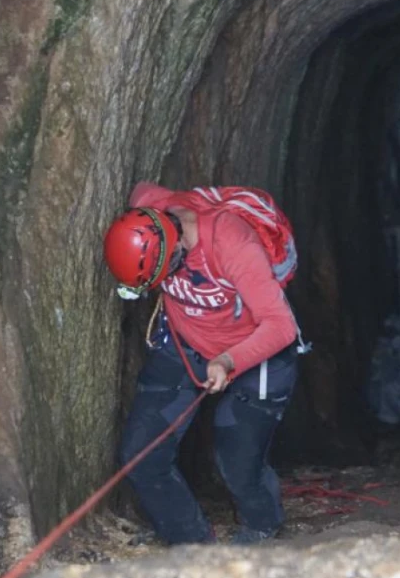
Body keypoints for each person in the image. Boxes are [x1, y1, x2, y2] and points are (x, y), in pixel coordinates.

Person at [102, 182, 301, 545]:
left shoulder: (232, 244)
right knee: (141, 455)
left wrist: (228, 360)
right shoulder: (148, 206)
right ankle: (192, 548)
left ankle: (262, 525)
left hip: (254, 348)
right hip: (185, 342)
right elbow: (140, 190)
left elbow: (281, 325)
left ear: (174, 245)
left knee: (237, 463)